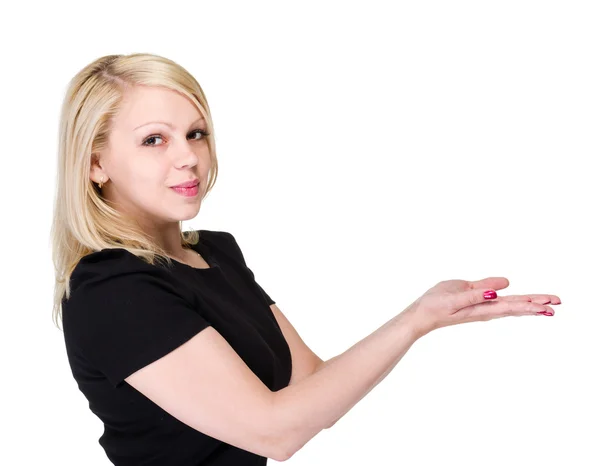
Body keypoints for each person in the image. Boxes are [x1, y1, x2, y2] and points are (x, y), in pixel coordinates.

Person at [51, 53, 561, 465]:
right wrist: (413, 322)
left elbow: (311, 390)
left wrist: (424, 316)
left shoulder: (215, 253)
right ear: (96, 163)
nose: (187, 156)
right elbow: (275, 433)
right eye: (154, 140)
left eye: (196, 133)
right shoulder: (111, 289)